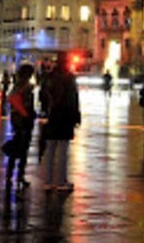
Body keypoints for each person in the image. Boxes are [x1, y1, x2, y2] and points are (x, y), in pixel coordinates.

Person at [41, 53, 81, 193]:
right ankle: (61, 181)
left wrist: (45, 111)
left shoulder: (50, 77)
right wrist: (76, 117)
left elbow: (42, 95)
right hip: (65, 115)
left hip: (52, 115)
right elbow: (73, 99)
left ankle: (48, 181)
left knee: (50, 148)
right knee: (63, 149)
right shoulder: (69, 78)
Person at [3, 64, 36, 190]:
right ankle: (19, 175)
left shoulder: (17, 85)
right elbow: (15, 101)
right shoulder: (25, 87)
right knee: (22, 148)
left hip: (17, 120)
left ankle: (10, 175)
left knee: (17, 147)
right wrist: (26, 114)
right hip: (23, 120)